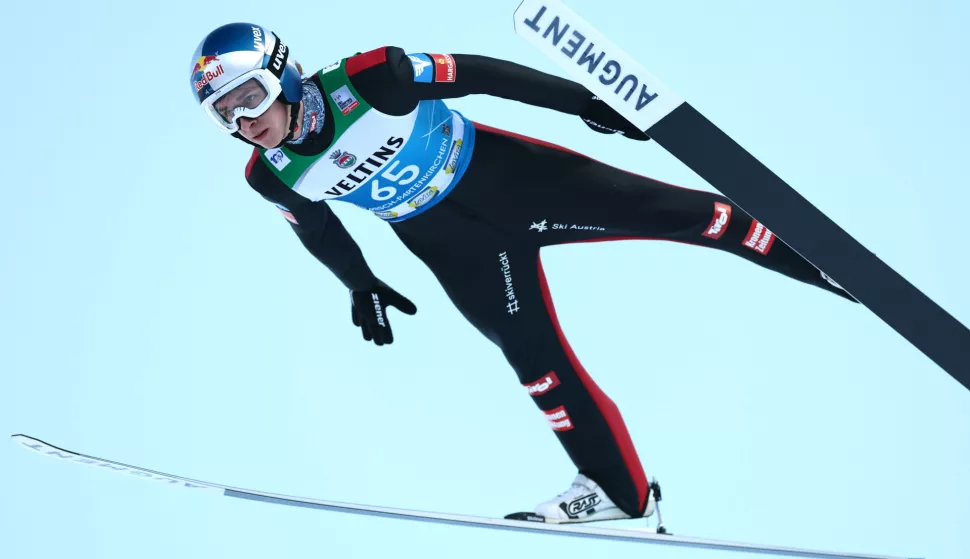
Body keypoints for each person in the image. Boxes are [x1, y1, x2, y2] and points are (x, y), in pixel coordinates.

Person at [188, 22, 857, 525]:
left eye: (247, 97)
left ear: (283, 74)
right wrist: (359, 282)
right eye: (225, 113)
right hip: (454, 248)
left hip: (518, 181)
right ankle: (618, 490)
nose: (244, 121)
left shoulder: (371, 78)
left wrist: (583, 101)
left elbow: (479, 73)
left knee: (693, 216)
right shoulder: (271, 175)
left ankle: (834, 269)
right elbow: (319, 227)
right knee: (536, 365)